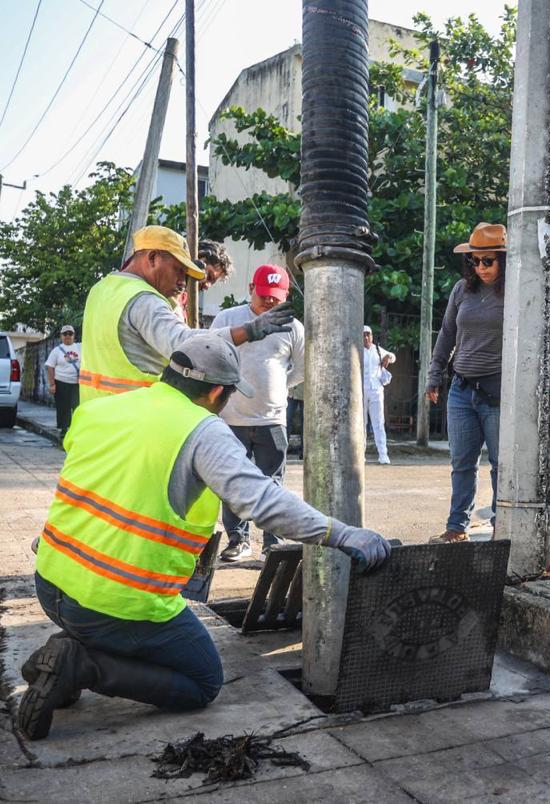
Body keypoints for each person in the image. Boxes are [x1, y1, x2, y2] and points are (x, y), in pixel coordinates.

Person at [17, 335, 390, 741]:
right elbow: (262, 501)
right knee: (202, 681)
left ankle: (71, 654)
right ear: (216, 392)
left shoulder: (101, 408)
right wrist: (342, 533)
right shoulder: (201, 430)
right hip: (113, 600)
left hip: (49, 579)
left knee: (105, 622)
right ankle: (81, 665)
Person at [78, 225, 292, 404]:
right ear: (153, 258)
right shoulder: (145, 301)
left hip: (95, 418)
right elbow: (185, 343)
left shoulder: (102, 289)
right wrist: (249, 330)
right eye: (178, 270)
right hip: (135, 418)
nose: (183, 282)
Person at [211, 266, 304, 562]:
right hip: (231, 417)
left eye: (276, 298)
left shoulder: (293, 328)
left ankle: (272, 542)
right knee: (232, 482)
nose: (269, 303)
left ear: (286, 295)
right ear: (251, 287)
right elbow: (211, 352)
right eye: (264, 296)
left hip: (271, 419)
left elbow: (301, 369)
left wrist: (278, 387)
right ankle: (238, 540)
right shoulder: (228, 319)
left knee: (271, 483)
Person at [425, 222, 506, 544]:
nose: (481, 267)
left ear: (503, 259)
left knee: (501, 464)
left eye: (489, 261)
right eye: (476, 261)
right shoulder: (462, 289)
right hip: (461, 389)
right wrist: (434, 375)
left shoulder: (515, 290)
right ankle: (457, 527)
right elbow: (447, 333)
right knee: (461, 463)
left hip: (497, 391)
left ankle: (504, 525)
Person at [363, 325, 396, 465]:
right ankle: (360, 454)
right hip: (361, 392)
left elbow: (393, 357)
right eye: (363, 335)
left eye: (368, 334)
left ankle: (383, 455)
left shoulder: (377, 350)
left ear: (372, 336)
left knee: (378, 423)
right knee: (361, 424)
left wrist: (388, 357)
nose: (366, 337)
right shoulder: (357, 350)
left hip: (376, 391)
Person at [45, 326, 82, 437]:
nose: (67, 336)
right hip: (61, 382)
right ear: (61, 336)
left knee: (77, 407)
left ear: (74, 335)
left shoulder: (80, 347)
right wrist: (52, 384)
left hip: (76, 384)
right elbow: (50, 367)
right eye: (65, 334)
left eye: (70, 334)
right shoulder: (56, 351)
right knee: (63, 408)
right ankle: (64, 431)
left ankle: (76, 430)